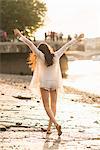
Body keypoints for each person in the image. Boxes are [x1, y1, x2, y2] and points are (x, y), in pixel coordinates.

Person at [14, 29, 84, 136]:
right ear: (48, 48)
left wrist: (20, 36)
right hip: (55, 83)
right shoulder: (56, 55)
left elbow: (30, 44)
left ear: (41, 50)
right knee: (53, 105)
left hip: (44, 83)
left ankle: (56, 124)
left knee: (47, 106)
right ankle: (49, 128)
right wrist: (77, 38)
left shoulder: (40, 56)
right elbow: (66, 45)